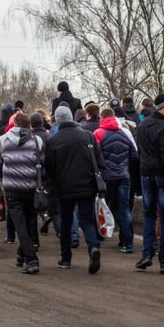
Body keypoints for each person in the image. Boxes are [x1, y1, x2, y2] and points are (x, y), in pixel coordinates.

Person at [44, 105, 105, 274]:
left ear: (57, 120)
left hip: (64, 188)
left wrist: (53, 188)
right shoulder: (88, 136)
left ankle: (66, 258)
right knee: (87, 219)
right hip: (87, 185)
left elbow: (49, 168)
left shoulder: (53, 141)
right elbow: (99, 161)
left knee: (66, 221)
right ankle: (93, 247)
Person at [0, 112, 45, 274]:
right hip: (31, 187)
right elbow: (42, 162)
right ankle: (21, 254)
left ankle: (32, 259)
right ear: (29, 125)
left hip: (11, 187)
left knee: (20, 225)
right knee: (30, 221)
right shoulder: (37, 141)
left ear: (14, 124)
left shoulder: (3, 140)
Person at [135, 93, 164, 274]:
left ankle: (147, 254)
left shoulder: (142, 125)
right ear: (160, 107)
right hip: (162, 175)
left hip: (145, 174)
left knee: (149, 215)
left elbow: (139, 150)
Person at [94, 107, 138, 254]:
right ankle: (128, 243)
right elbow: (134, 156)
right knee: (125, 209)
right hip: (124, 176)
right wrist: (124, 166)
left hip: (106, 178)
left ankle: (97, 241)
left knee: (101, 207)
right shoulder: (125, 133)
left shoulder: (98, 133)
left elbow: (94, 156)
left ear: (102, 118)